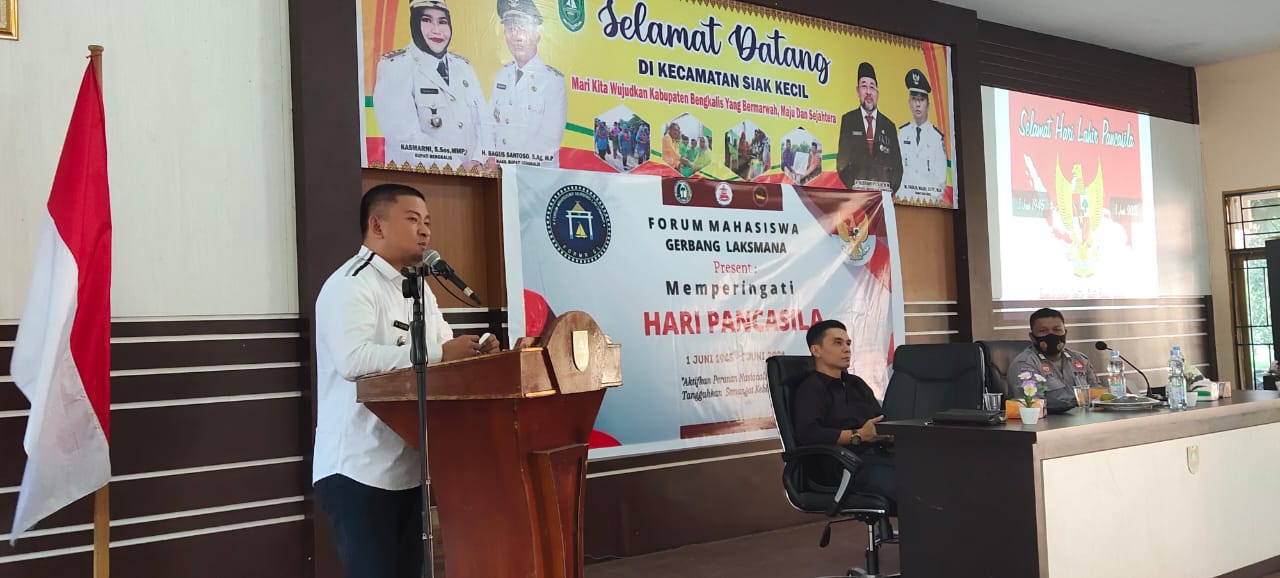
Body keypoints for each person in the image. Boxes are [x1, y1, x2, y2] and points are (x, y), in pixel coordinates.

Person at [312, 183, 499, 578]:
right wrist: (440, 353)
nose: (425, 230)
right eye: (413, 219)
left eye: (427, 221)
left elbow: (444, 347)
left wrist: (477, 351)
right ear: (377, 225)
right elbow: (353, 360)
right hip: (358, 469)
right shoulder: (350, 284)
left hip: (409, 465)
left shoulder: (419, 288)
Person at [792, 319, 896, 506]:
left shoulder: (856, 383)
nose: (847, 349)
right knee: (906, 486)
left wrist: (887, 433)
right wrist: (858, 435)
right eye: (838, 343)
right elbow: (808, 433)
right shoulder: (810, 388)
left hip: (876, 455)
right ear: (816, 350)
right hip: (842, 466)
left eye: (848, 343)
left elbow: (879, 419)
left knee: (927, 473)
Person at [374, 0, 485, 171]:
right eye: (426, 20)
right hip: (420, 179)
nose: (436, 30)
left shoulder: (464, 67)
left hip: (472, 178)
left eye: (442, 21)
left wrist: (479, 160)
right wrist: (458, 167)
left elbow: (484, 122)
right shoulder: (395, 67)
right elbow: (404, 136)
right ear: (414, 23)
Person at [483, 0, 567, 169]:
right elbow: (488, 123)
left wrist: (505, 162)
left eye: (522, 28)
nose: (516, 36)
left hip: (535, 176)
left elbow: (549, 141)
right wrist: (489, 156)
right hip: (499, 174)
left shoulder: (553, 81)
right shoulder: (502, 75)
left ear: (537, 35)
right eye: (510, 28)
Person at [1005, 307, 1099, 411]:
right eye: (1043, 331)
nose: (1051, 335)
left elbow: (1098, 395)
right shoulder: (1025, 364)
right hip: (1050, 420)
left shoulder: (1080, 359)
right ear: (1032, 337)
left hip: (1085, 418)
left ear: (1065, 333)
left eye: (1057, 330)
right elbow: (1032, 405)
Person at [836, 62, 903, 193]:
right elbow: (842, 164)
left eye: (872, 87)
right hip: (857, 196)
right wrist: (856, 189)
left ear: (877, 93)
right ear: (858, 91)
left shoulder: (889, 126)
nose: (868, 92)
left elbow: (898, 169)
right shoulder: (848, 120)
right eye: (864, 86)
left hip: (882, 197)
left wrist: (886, 193)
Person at [897, 68, 949, 204]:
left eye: (921, 100)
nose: (918, 104)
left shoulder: (936, 138)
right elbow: (897, 172)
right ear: (909, 103)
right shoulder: (902, 134)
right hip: (904, 202)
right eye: (914, 99)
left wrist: (925, 201)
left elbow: (941, 180)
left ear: (928, 105)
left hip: (928, 204)